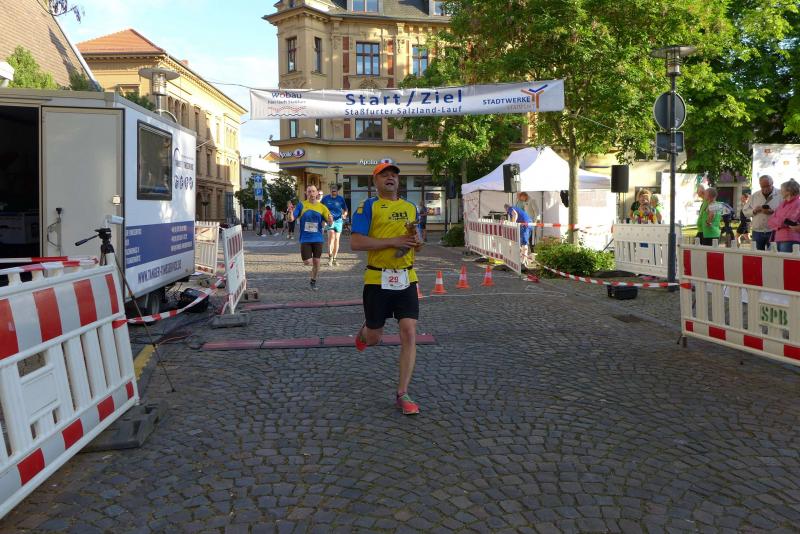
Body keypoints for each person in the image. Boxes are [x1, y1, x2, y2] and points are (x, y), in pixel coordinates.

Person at [351, 162, 423, 415]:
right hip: (377, 278)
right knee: (374, 338)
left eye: (394, 175)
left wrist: (417, 241)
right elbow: (356, 242)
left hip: (406, 277)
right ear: (375, 181)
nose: (390, 178)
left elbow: (417, 243)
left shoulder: (410, 207)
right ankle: (364, 332)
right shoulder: (367, 207)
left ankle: (403, 393)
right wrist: (394, 241)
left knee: (409, 332)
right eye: (384, 175)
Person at [287, 186, 333, 290]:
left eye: (313, 191)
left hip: (318, 238)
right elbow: (291, 219)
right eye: (309, 191)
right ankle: (315, 268)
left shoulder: (322, 207)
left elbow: (330, 222)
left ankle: (313, 281)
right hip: (305, 238)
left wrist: (330, 220)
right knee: (307, 262)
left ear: (317, 193)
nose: (311, 193)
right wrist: (290, 212)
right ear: (306, 193)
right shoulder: (302, 205)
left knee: (317, 262)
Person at [742, 175, 781, 250]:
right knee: (757, 255)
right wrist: (754, 211)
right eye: (763, 187)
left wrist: (773, 212)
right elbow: (745, 210)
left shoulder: (780, 194)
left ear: (772, 183)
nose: (765, 188)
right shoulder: (755, 195)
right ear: (759, 185)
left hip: (774, 231)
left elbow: (786, 211)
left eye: (767, 186)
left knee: (773, 254)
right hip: (757, 231)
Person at [767, 179, 800, 253]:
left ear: (788, 191)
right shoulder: (783, 203)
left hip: (790, 239)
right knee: (770, 259)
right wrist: (779, 221)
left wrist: (776, 221)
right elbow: (770, 221)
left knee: (786, 260)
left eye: (782, 189)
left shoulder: (797, 203)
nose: (780, 191)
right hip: (776, 238)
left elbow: (787, 221)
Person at [321, 184, 349, 266]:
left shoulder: (340, 199)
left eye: (335, 190)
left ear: (337, 191)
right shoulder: (325, 198)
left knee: (337, 239)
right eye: (332, 190)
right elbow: (321, 208)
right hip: (330, 221)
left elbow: (345, 209)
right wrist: (323, 219)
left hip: (339, 221)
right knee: (331, 238)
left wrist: (344, 214)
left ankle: (334, 258)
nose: (333, 192)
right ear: (330, 190)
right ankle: (330, 257)